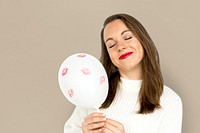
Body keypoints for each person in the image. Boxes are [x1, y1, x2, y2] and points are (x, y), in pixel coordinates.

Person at [64, 13, 183, 133]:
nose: (120, 47)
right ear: (108, 55)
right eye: (111, 45)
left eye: (127, 37)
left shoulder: (170, 100)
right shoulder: (94, 90)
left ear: (143, 40)